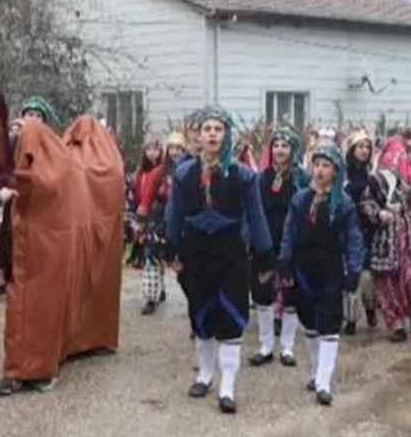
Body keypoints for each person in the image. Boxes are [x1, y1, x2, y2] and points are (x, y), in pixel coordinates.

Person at [166, 106, 274, 415]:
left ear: (226, 135)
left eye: (218, 128)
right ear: (198, 136)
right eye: (207, 129)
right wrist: (171, 248)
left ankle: (227, 385)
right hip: (197, 253)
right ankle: (204, 374)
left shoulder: (243, 176)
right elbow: (175, 214)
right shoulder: (184, 174)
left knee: (231, 317)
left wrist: (265, 255)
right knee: (201, 315)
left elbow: (256, 216)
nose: (212, 133)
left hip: (231, 254)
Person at [279, 143, 363, 406]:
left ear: (336, 171)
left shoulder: (344, 203)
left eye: (326, 165)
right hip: (303, 269)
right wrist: (284, 261)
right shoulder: (299, 199)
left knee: (329, 321)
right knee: (310, 322)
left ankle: (325, 382)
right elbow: (289, 233)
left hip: (330, 268)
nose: (320, 170)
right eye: (317, 164)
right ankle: (315, 371)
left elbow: (353, 238)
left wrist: (354, 269)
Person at [359, 134, 411, 342]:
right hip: (386, 237)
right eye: (396, 153)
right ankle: (396, 324)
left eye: (403, 153)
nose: (398, 157)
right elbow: (366, 202)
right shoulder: (376, 180)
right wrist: (378, 213)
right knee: (387, 281)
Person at [249, 126, 308, 368]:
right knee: (262, 294)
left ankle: (287, 347)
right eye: (276, 145)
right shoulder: (260, 178)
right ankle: (265, 346)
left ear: (292, 149)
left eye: (285, 146)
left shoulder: (302, 178)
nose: (280, 150)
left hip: (292, 243)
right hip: (265, 242)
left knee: (291, 295)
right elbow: (254, 212)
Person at [127, 135, 171, 316]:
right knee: (149, 255)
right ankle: (151, 296)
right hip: (144, 218)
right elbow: (133, 196)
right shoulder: (139, 174)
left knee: (156, 255)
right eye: (149, 149)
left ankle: (156, 291)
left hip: (161, 218)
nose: (152, 152)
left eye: (156, 149)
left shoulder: (165, 173)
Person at [341, 130, 380, 335]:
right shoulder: (343, 173)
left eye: (367, 147)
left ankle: (371, 307)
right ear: (352, 150)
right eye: (360, 147)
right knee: (350, 273)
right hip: (348, 227)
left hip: (368, 228)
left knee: (367, 275)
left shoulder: (373, 175)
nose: (364, 151)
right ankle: (350, 319)